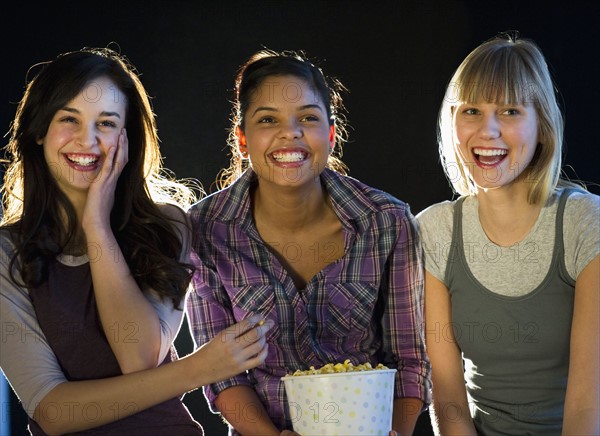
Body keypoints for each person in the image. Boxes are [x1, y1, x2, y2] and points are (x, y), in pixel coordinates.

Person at [0, 47, 273, 435]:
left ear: (128, 136)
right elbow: (53, 412)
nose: (86, 140)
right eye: (68, 119)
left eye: (106, 123)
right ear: (40, 130)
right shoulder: (7, 254)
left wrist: (97, 225)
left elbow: (139, 357)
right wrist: (198, 369)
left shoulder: (167, 225)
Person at [186, 49, 431, 435]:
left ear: (331, 135)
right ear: (243, 138)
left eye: (308, 118)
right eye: (268, 119)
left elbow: (410, 362)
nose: (291, 132)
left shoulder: (387, 221)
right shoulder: (202, 230)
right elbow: (223, 377)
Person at [416, 33, 599, 435]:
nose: (488, 131)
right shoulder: (433, 230)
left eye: (511, 111)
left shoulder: (586, 222)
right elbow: (447, 397)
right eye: (472, 111)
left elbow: (590, 400)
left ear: (542, 126)